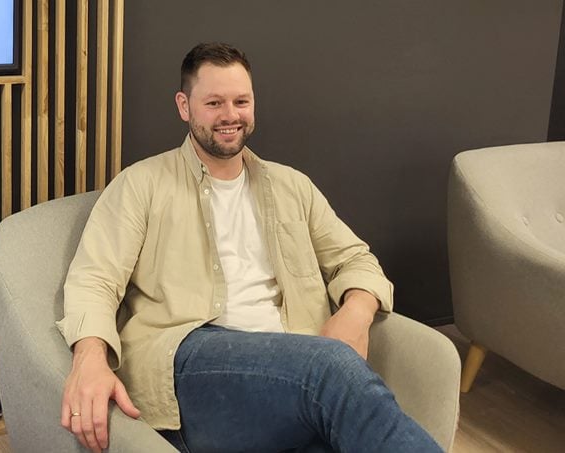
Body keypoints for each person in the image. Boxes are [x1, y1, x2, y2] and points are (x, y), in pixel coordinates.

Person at [54, 42, 442, 453]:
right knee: (330, 366)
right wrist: (89, 358)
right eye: (214, 103)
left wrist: (357, 311)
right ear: (184, 106)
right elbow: (95, 279)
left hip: (290, 365)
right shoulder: (141, 184)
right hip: (191, 358)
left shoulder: (292, 186)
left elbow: (356, 259)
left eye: (241, 101)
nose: (230, 115)